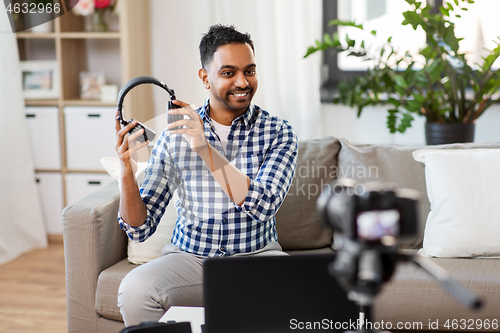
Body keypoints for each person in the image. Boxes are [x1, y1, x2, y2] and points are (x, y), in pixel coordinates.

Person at [115, 24, 298, 326]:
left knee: (304, 290)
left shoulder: (278, 132)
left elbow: (263, 204)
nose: (242, 82)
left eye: (249, 71)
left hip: (257, 259)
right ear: (205, 77)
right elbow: (139, 229)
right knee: (135, 290)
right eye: (228, 73)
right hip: (190, 259)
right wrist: (126, 172)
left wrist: (203, 147)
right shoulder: (174, 136)